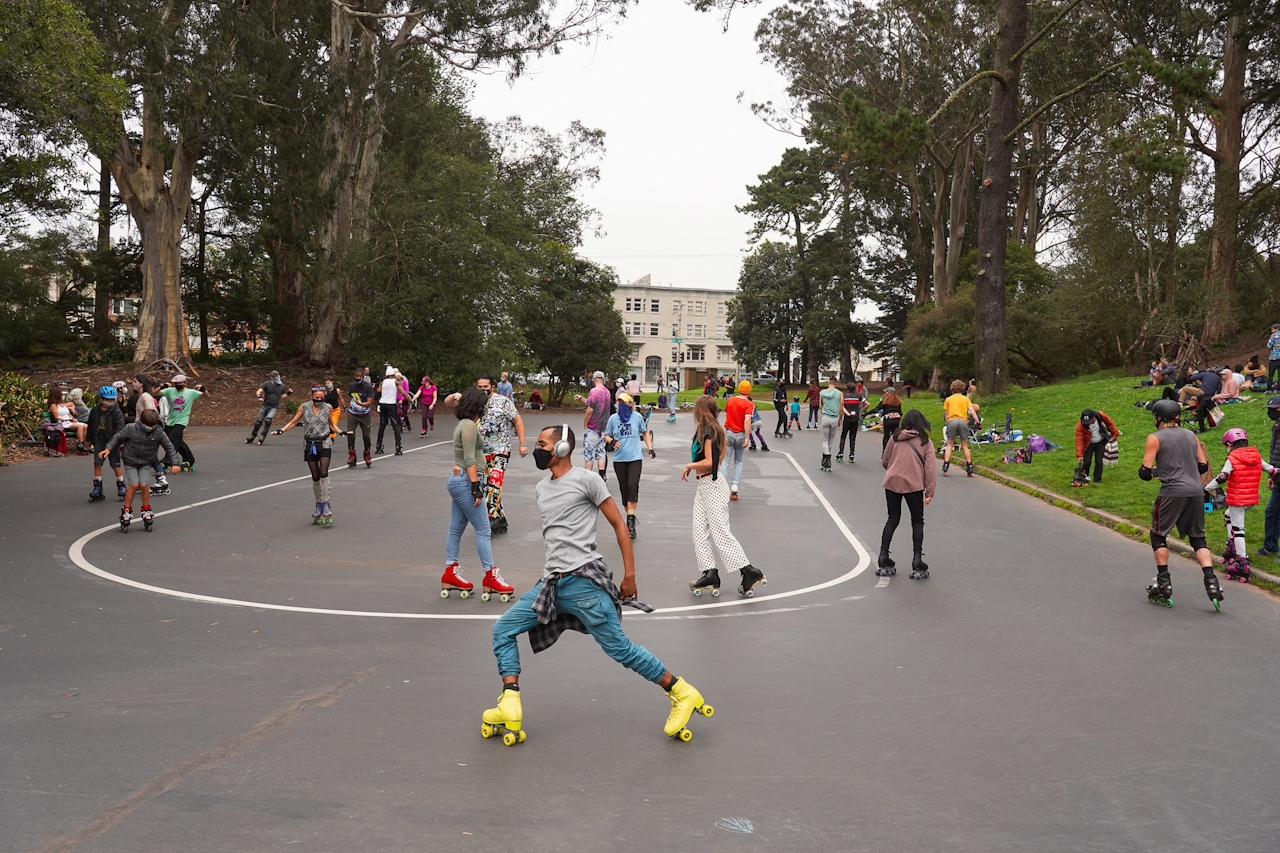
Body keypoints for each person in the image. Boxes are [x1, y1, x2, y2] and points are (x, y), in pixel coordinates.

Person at [482, 424, 709, 746]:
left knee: (619, 649)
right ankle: (510, 700)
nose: (537, 448)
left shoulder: (588, 480)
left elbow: (618, 524)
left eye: (543, 443)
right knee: (503, 629)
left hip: (584, 583)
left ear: (561, 448)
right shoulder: (541, 488)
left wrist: (630, 575)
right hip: (551, 584)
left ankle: (682, 692)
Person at [1139, 398, 1223, 609]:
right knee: (1198, 538)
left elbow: (1144, 473)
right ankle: (1212, 583)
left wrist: (1160, 472)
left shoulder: (1154, 438)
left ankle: (1164, 583)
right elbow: (1203, 467)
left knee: (1158, 535)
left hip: (1172, 493)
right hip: (1196, 492)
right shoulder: (1191, 435)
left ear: (1160, 418)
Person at [683, 396, 766, 597]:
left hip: (711, 484)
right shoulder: (706, 429)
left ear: (701, 411)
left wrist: (689, 465)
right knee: (698, 531)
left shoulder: (709, 430)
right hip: (703, 486)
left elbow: (710, 462)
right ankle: (709, 572)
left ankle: (749, 571)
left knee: (720, 533)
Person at [440, 388, 511, 600]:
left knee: (455, 530)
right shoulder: (469, 425)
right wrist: (475, 487)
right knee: (483, 530)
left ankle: (450, 572)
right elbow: (470, 458)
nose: (487, 406)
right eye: (484, 403)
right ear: (478, 406)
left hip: (458, 479)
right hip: (465, 480)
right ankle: (490, 575)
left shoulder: (465, 423)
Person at [443, 374, 529, 534]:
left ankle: (490, 520)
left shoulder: (503, 402)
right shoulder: (472, 401)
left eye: (486, 387)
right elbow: (447, 402)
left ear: (493, 387)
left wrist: (522, 444)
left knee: (495, 485)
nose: (483, 389)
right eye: (480, 387)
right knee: (487, 485)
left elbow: (517, 420)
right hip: (480, 452)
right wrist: (455, 395)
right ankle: (500, 519)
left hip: (500, 450)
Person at [1205, 428, 1276, 582]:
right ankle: (1232, 546)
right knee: (1227, 515)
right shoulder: (1255, 455)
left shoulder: (1233, 457)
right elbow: (1271, 469)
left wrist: (1206, 488)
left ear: (1230, 444)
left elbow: (1222, 477)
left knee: (1238, 530)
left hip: (1237, 501)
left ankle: (1242, 562)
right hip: (1251, 500)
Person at [877, 409, 937, 579]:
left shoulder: (894, 438)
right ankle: (917, 559)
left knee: (892, 518)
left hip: (892, 482)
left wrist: (896, 470)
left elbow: (885, 461)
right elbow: (930, 470)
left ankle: (883, 555)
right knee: (917, 521)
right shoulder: (925, 442)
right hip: (914, 485)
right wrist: (929, 492)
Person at [100, 409, 180, 533]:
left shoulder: (158, 432)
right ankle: (126, 510)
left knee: (144, 485)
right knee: (134, 485)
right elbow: (117, 438)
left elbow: (169, 446)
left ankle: (146, 509)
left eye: (152, 426)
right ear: (141, 422)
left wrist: (174, 463)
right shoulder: (130, 428)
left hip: (146, 462)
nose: (149, 428)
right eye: (147, 425)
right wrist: (108, 449)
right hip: (130, 461)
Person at [273, 384, 338, 525]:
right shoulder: (304, 407)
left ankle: (326, 504)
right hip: (310, 444)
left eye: (321, 398)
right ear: (311, 397)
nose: (319, 400)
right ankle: (318, 504)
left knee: (323, 472)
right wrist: (282, 430)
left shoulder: (328, 407)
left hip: (325, 441)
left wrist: (340, 432)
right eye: (316, 398)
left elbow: (331, 424)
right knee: (315, 475)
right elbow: (294, 421)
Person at [604, 391, 655, 539]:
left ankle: (630, 520)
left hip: (635, 458)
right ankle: (629, 518)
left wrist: (650, 448)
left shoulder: (637, 417)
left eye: (624, 402)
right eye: (619, 402)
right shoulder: (613, 419)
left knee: (632, 486)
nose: (621, 404)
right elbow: (606, 435)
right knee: (624, 490)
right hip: (619, 459)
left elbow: (644, 432)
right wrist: (612, 441)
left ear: (631, 404)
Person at [158, 374, 208, 472]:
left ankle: (167, 460)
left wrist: (204, 389)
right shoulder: (170, 391)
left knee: (172, 439)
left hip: (182, 421)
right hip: (170, 420)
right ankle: (189, 459)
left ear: (185, 383)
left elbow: (206, 396)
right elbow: (155, 393)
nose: (178, 384)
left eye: (180, 383)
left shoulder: (191, 393)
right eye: (176, 383)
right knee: (178, 442)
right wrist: (161, 386)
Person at [131, 374, 170, 495]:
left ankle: (161, 480)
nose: (133, 383)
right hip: (143, 428)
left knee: (150, 455)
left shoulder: (145, 396)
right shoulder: (142, 396)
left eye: (135, 381)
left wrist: (146, 429)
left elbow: (150, 414)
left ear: (141, 383)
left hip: (148, 429)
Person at [87, 385, 126, 503]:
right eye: (107, 400)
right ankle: (98, 486)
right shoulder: (95, 410)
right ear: (101, 399)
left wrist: (113, 444)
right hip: (99, 439)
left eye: (112, 400)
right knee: (97, 463)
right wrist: (88, 440)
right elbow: (90, 425)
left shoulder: (117, 412)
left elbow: (119, 429)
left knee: (115, 464)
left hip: (112, 440)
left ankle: (121, 485)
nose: (109, 402)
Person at [573, 370, 613, 480]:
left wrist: (585, 423)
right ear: (603, 379)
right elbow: (592, 403)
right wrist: (581, 398)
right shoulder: (607, 392)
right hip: (603, 427)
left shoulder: (594, 391)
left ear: (594, 379)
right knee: (601, 452)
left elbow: (590, 409)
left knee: (589, 453)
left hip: (593, 426)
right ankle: (602, 475)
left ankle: (587, 477)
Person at [721, 380, 755, 499]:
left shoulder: (730, 400)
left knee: (725, 460)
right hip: (741, 434)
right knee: (738, 461)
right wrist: (747, 438)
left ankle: (721, 486)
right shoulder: (749, 404)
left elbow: (727, 414)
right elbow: (747, 421)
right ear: (749, 391)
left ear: (739, 389)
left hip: (729, 432)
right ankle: (734, 486)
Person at [941, 380, 977, 477]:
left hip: (952, 421)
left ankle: (945, 465)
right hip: (962, 421)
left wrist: (948, 424)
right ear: (962, 388)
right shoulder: (965, 399)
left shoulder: (948, 400)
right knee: (965, 445)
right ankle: (969, 466)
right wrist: (977, 422)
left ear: (952, 388)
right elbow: (972, 412)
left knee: (949, 444)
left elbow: (947, 415)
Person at [1075, 409, 1120, 485]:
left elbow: (1110, 424)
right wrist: (1079, 455)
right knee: (1086, 462)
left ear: (1094, 417)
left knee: (1099, 461)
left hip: (1100, 442)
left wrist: (1115, 434)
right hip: (1088, 445)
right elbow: (1079, 439)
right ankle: (1084, 478)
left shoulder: (1101, 416)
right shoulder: (1081, 425)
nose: (1088, 423)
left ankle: (1097, 481)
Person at [1260, 395, 1280, 557]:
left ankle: (1270, 546)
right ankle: (1271, 546)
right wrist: (1271, 474)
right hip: (1277, 476)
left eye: (1275, 409)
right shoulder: (1276, 426)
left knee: (1271, 511)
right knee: (1273, 513)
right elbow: (1274, 451)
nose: (1272, 412)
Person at [247, 370, 291, 445]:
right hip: (265, 405)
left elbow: (283, 396)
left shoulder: (281, 386)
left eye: (277, 375)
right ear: (271, 377)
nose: (276, 377)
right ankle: (253, 435)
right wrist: (259, 397)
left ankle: (263, 435)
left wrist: (289, 393)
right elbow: (258, 391)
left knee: (268, 420)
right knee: (258, 422)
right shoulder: (266, 384)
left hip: (274, 407)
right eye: (274, 376)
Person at [346, 367, 375, 468]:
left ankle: (367, 453)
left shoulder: (368, 387)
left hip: (364, 415)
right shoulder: (351, 385)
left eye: (360, 376)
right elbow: (351, 396)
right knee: (350, 434)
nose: (358, 378)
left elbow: (369, 402)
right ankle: (352, 454)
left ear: (363, 377)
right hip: (353, 414)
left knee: (366, 436)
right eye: (356, 376)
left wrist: (361, 404)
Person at [47, 387, 87, 451]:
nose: (62, 396)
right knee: (80, 426)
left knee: (85, 426)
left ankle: (82, 443)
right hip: (63, 423)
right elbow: (56, 417)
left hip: (69, 421)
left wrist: (72, 418)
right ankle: (80, 444)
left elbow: (68, 413)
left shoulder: (62, 404)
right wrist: (65, 419)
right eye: (61, 394)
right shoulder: (53, 405)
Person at [375, 365, 402, 455]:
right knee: (395, 424)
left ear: (386, 375)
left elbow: (377, 393)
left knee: (382, 424)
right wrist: (410, 400)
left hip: (383, 404)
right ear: (393, 375)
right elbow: (403, 393)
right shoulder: (396, 382)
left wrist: (378, 401)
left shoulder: (382, 383)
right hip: (391, 404)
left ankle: (378, 446)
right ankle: (398, 446)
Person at [816, 376, 841, 472]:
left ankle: (826, 458)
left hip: (826, 416)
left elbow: (821, 404)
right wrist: (840, 419)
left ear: (828, 382)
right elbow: (841, 407)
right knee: (830, 440)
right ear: (836, 383)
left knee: (824, 440)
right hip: (835, 417)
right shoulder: (839, 393)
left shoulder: (822, 392)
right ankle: (826, 459)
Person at [837, 381, 863, 463]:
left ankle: (841, 453)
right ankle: (852, 454)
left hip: (847, 417)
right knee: (852, 436)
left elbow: (841, 406)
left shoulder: (845, 396)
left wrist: (843, 415)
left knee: (843, 435)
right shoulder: (858, 396)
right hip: (855, 417)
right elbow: (867, 404)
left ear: (847, 389)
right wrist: (861, 411)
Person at [1267, 323, 1280, 390]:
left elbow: (1269, 345)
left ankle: (1269, 389)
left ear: (1276, 329)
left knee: (1270, 375)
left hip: (1274, 358)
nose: (1271, 330)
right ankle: (1277, 389)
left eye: (1272, 329)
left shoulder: (1273, 336)